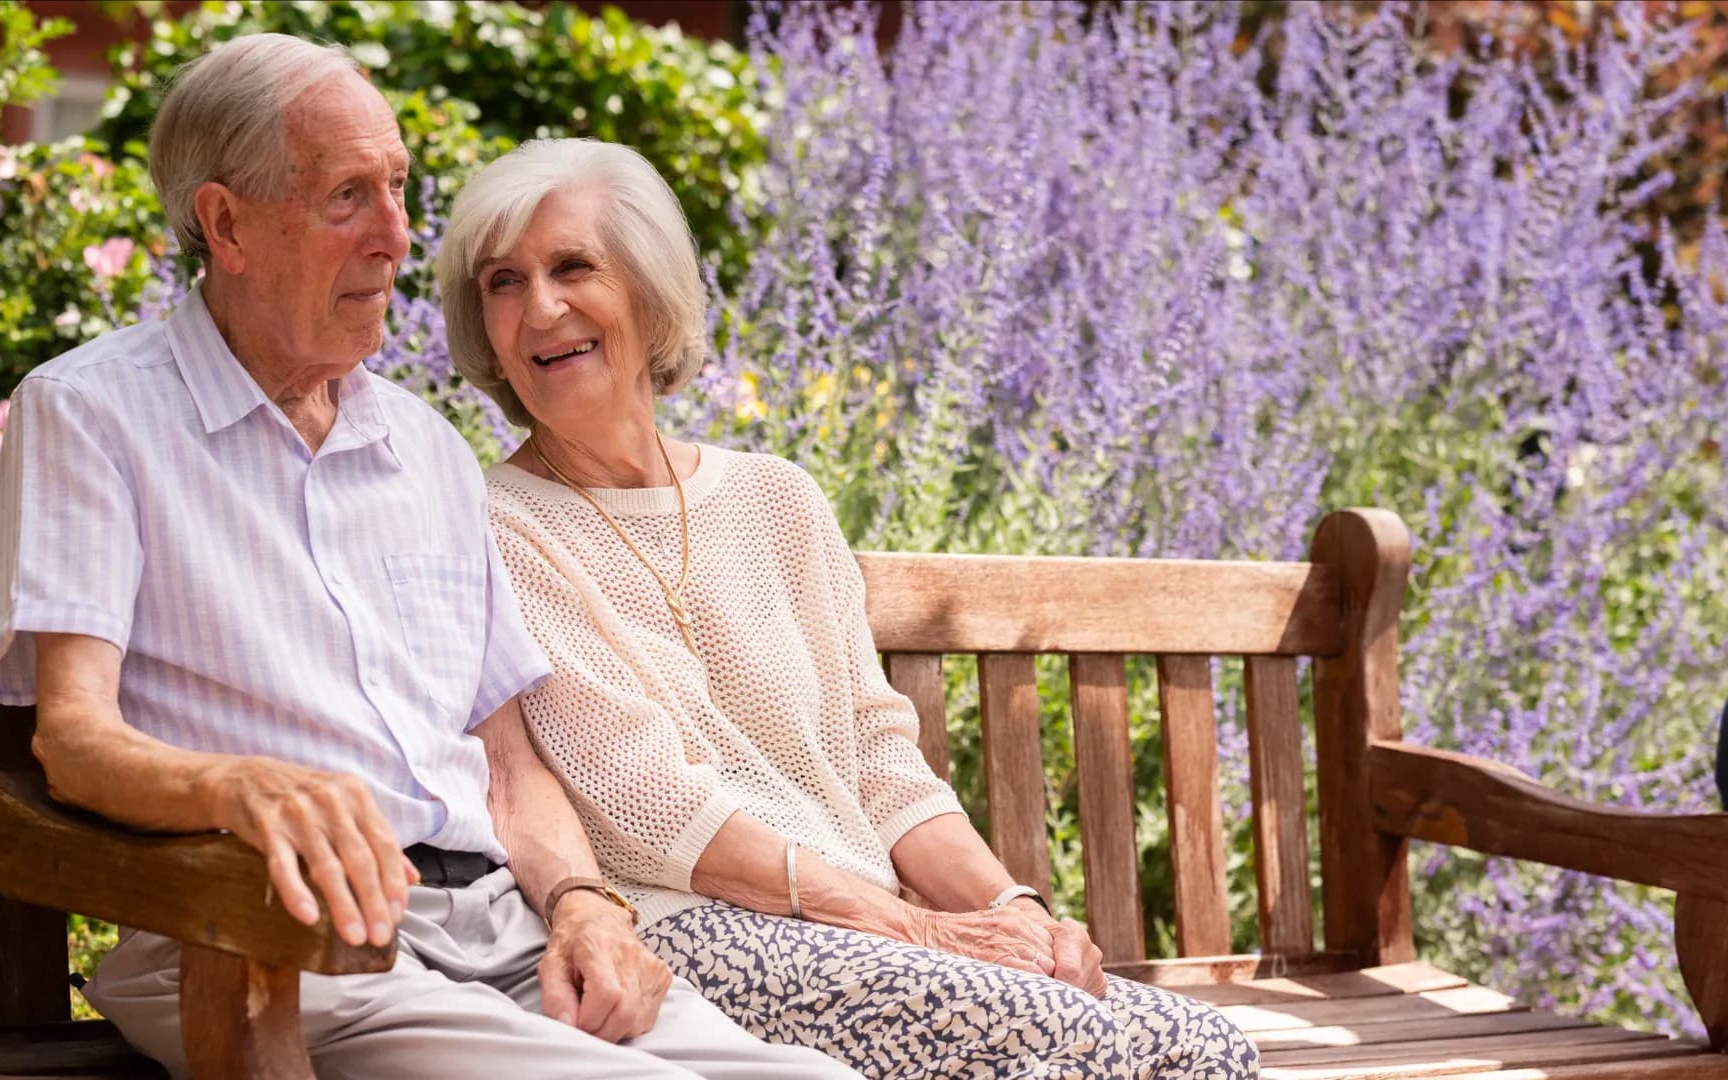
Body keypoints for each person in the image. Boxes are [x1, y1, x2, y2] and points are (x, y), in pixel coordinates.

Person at [0, 35, 859, 1080]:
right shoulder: (92, 414)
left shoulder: (426, 449)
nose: (398, 237)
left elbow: (508, 764)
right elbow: (75, 739)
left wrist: (586, 906)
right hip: (269, 942)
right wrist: (239, 788)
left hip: (496, 934)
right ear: (226, 224)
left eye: (397, 190)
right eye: (349, 196)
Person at [435, 136, 1261, 1079]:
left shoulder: (775, 498)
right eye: (503, 283)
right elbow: (646, 804)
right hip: (695, 938)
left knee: (1205, 1047)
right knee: (1135, 1059)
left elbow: (881, 764)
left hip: (866, 925)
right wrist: (907, 923)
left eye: (573, 266)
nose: (541, 309)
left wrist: (1013, 911)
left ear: (650, 292)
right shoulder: (498, 523)